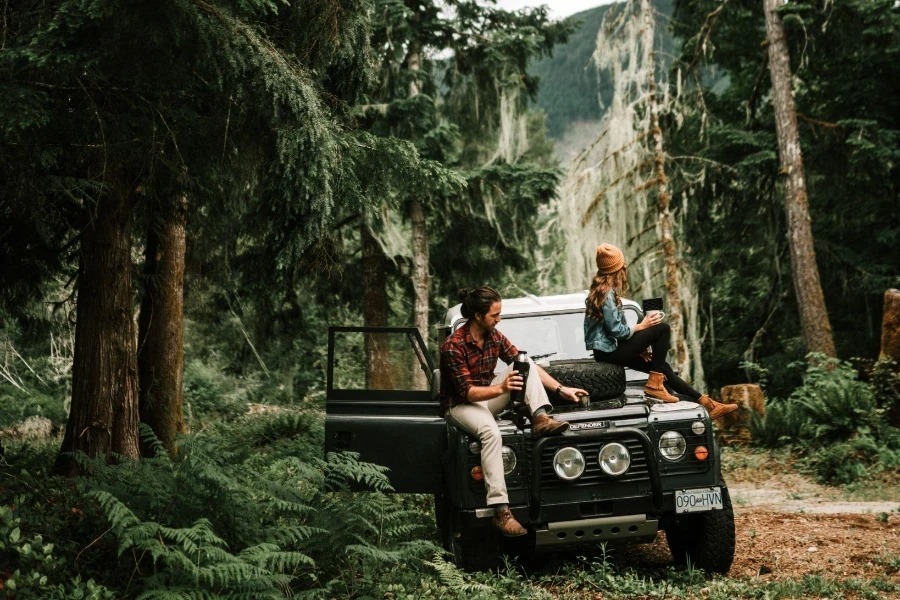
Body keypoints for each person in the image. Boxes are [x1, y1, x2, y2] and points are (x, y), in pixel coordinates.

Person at [440, 286, 589, 537]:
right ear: (477, 316)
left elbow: (524, 365)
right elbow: (468, 393)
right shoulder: (453, 346)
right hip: (460, 405)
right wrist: (502, 388)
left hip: (487, 395)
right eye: (494, 315)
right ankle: (501, 510)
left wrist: (561, 389)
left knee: (523, 361)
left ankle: (540, 416)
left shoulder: (494, 336)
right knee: (490, 431)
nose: (499, 319)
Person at [583, 243, 737, 420]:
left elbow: (612, 332)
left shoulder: (600, 291)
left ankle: (708, 404)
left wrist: (639, 347)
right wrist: (643, 325)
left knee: (662, 367)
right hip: (610, 352)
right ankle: (655, 386)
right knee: (662, 329)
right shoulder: (606, 294)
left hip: (609, 350)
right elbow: (618, 331)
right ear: (617, 270)